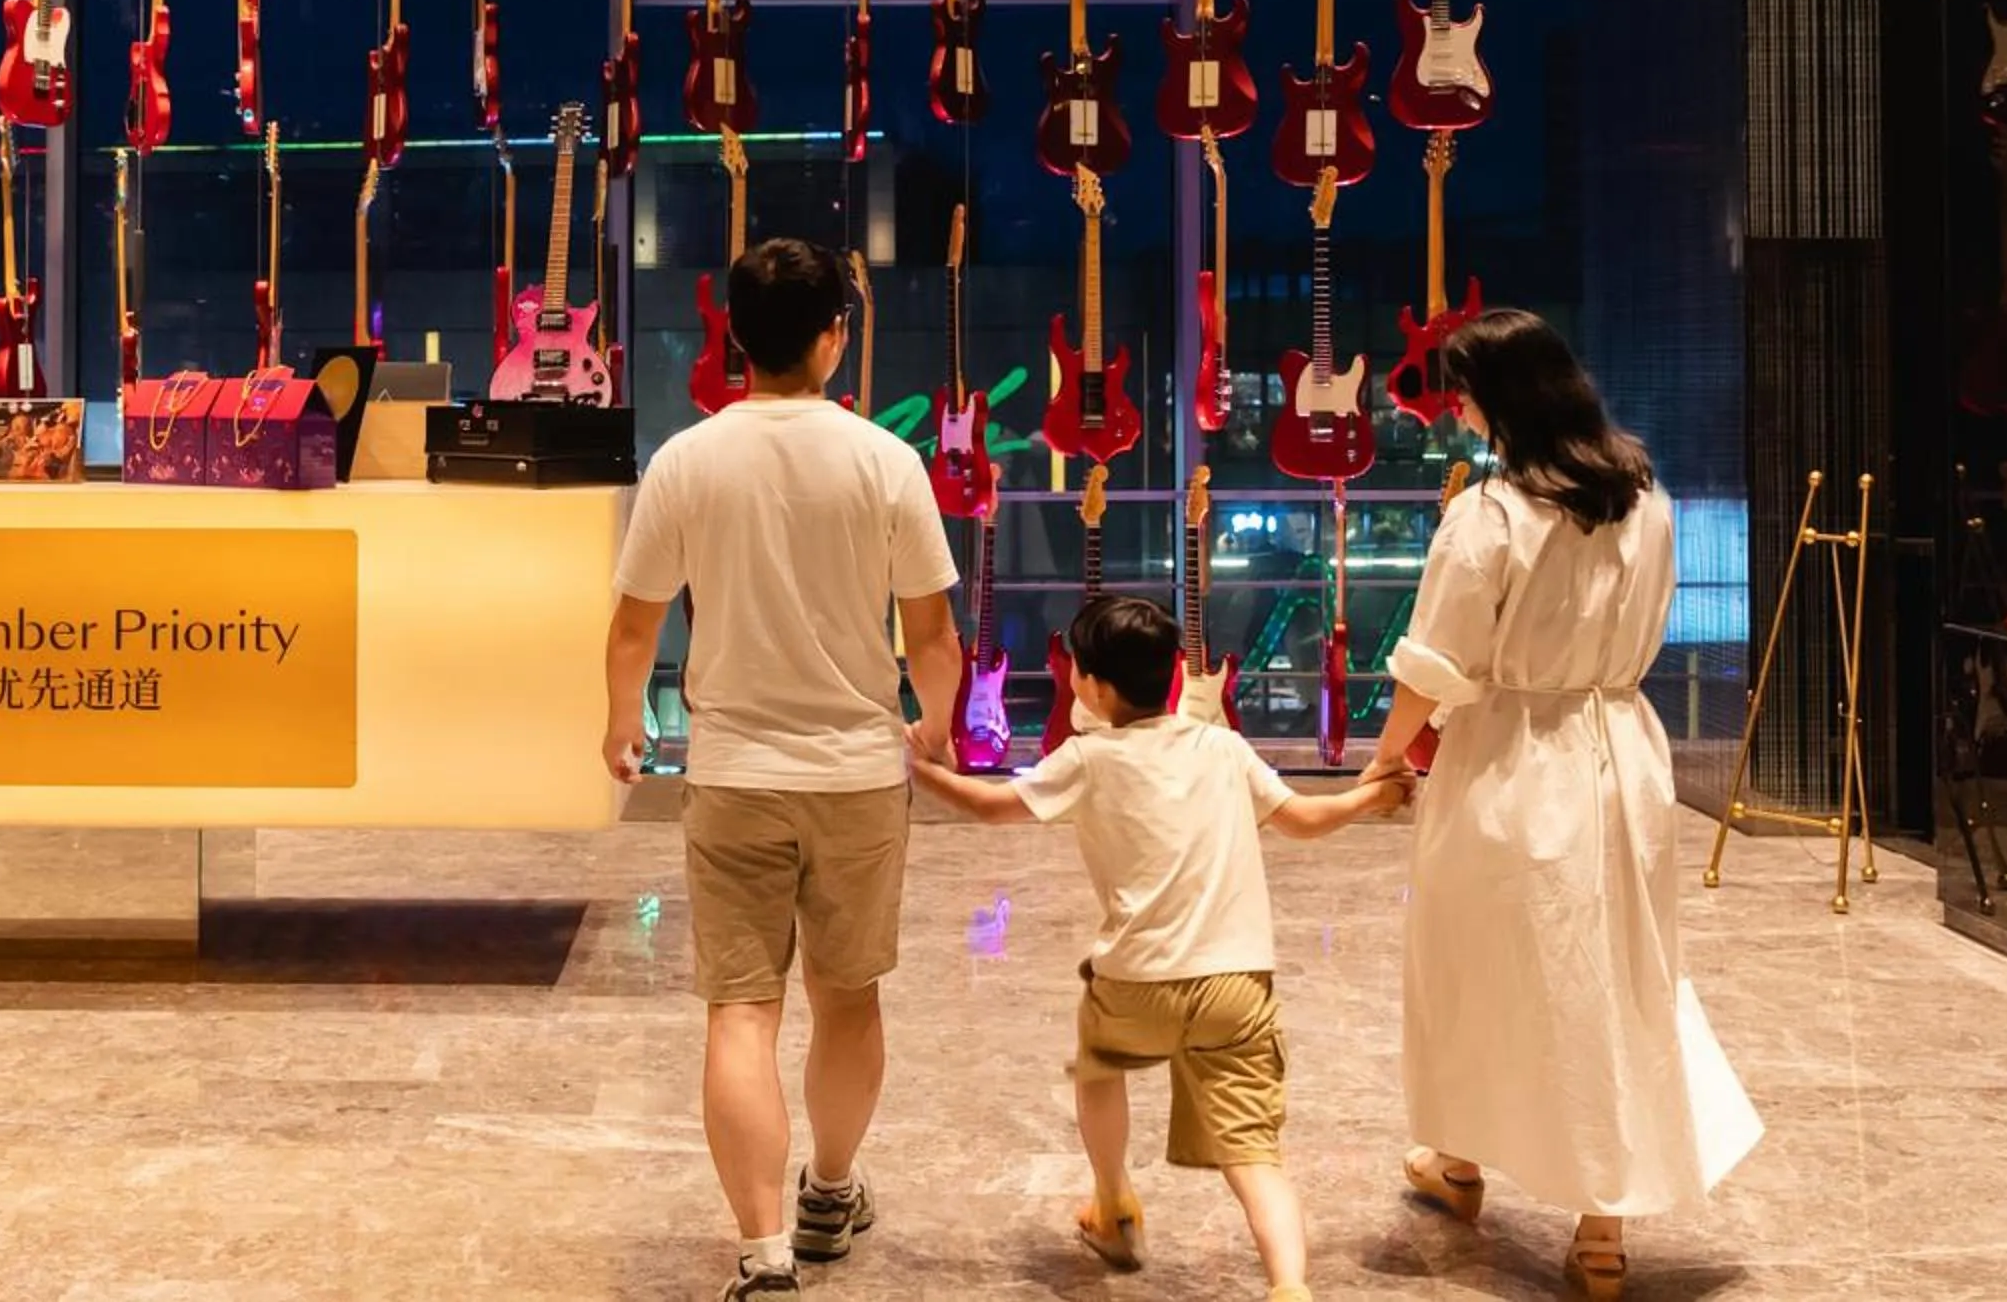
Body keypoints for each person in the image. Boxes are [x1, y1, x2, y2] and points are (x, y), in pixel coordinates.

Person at [1361, 310, 1761, 1300]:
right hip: (1621, 753)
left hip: (1509, 758)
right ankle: (1599, 1229)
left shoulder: (1490, 515)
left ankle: (1459, 1161)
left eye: (1460, 391)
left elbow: (1437, 665)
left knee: (1474, 963)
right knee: (1616, 971)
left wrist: (1380, 765)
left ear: (1497, 398)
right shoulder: (1648, 503)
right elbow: (1655, 623)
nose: (1453, 407)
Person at [600, 239, 964, 1302]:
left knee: (740, 1012)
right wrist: (934, 725)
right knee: (847, 1000)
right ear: (833, 338)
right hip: (855, 773)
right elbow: (932, 630)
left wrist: (623, 725)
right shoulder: (885, 462)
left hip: (733, 774)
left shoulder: (688, 460)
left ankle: (762, 1255)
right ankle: (829, 1191)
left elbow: (634, 626)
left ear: (731, 338)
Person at [916, 596, 1408, 1302]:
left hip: (1135, 981)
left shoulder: (1084, 757)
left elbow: (992, 805)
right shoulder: (1221, 745)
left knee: (1099, 1063)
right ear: (1178, 671)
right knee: (1255, 1152)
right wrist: (1369, 798)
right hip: (1236, 985)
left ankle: (1113, 1201)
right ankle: (1290, 1284)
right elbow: (1301, 820)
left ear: (1089, 685)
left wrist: (919, 770)